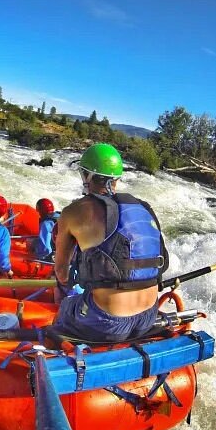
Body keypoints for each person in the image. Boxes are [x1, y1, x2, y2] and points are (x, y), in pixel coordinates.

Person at [52, 143, 169, 342]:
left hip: (107, 322)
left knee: (66, 308)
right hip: (149, 315)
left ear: (87, 176)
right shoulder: (144, 208)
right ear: (116, 179)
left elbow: (62, 274)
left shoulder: (73, 211)